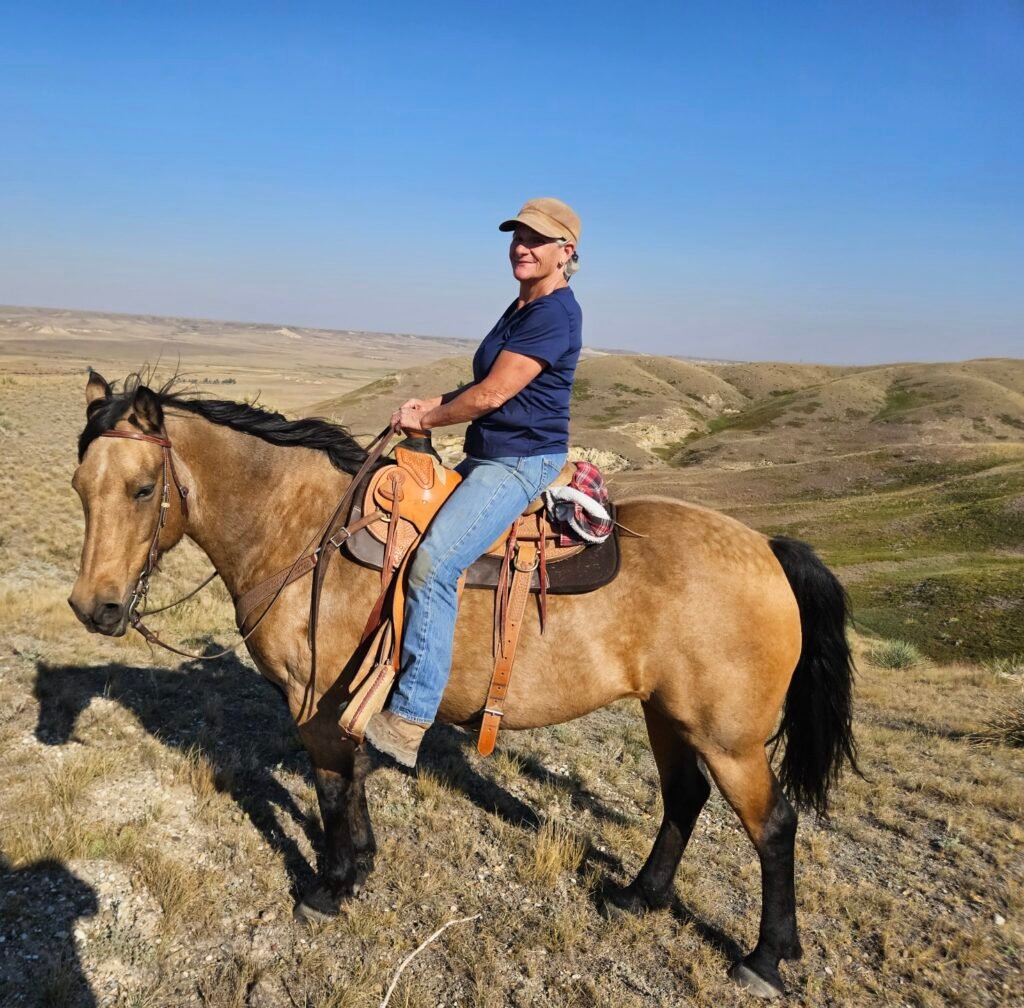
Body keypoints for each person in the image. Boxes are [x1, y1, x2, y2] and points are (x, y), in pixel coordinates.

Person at [364, 197, 583, 769]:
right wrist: (429, 403)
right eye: (517, 236)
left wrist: (430, 420)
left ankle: (411, 716)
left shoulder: (552, 313)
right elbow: (481, 381)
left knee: (435, 564)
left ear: (567, 252)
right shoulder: (520, 306)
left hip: (519, 461)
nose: (522, 246)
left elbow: (490, 396)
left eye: (537, 239)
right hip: (489, 452)